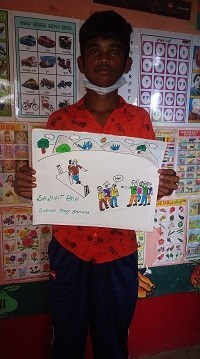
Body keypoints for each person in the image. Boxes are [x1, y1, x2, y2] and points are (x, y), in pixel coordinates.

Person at [13, 10, 179, 359]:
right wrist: (27, 183)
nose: (104, 58)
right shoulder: (59, 122)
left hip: (118, 254)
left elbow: (147, 184)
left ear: (127, 61)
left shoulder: (139, 121)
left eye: (114, 50)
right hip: (69, 250)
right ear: (80, 61)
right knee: (67, 341)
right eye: (94, 50)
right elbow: (44, 182)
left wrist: (162, 184)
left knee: (113, 342)